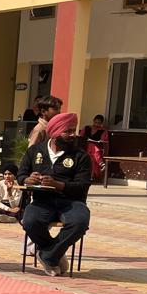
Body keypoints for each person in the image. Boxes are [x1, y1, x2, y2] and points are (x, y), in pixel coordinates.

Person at [20, 112, 92, 276]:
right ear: (55, 132)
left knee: (80, 222)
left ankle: (48, 255)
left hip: (72, 202)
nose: (73, 135)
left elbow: (82, 186)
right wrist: (27, 179)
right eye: (68, 131)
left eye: (74, 130)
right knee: (30, 221)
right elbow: (21, 174)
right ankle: (53, 252)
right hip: (42, 201)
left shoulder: (81, 156)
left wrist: (58, 185)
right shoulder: (35, 151)